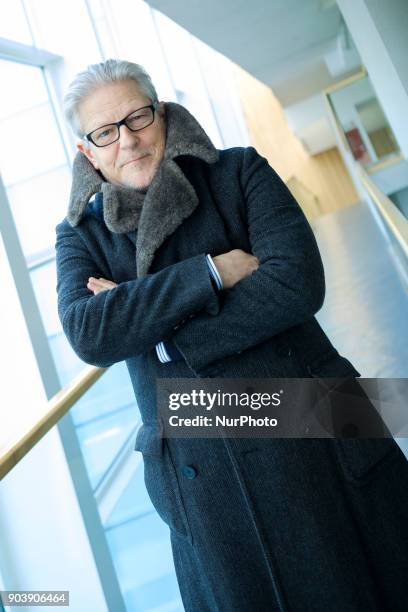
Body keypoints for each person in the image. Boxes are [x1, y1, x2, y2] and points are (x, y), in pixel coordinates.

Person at [56, 59, 408, 611]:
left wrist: (158, 333)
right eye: (105, 131)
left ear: (163, 114)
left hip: (321, 428)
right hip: (206, 475)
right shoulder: (79, 234)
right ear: (88, 151)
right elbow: (89, 334)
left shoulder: (240, 171)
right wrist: (210, 273)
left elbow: (297, 284)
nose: (126, 139)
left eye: (137, 117)